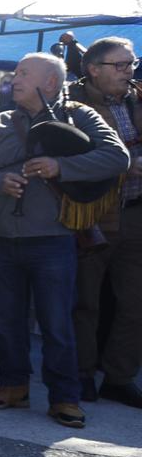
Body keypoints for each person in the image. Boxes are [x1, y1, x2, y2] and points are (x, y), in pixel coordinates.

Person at [0, 52, 127, 428]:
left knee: (57, 323)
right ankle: (12, 386)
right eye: (16, 70)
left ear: (50, 82)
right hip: (2, 238)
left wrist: (62, 166)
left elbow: (117, 158)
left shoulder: (80, 116)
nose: (15, 77)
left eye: (24, 72)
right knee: (6, 320)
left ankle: (65, 397)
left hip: (53, 240)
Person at [68, 37, 142, 407]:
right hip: (92, 216)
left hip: (136, 215)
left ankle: (119, 376)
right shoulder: (73, 106)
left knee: (135, 303)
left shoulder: (135, 100)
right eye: (122, 65)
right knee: (85, 301)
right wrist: (127, 164)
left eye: (132, 63)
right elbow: (72, 155)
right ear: (94, 69)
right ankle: (81, 374)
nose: (130, 71)